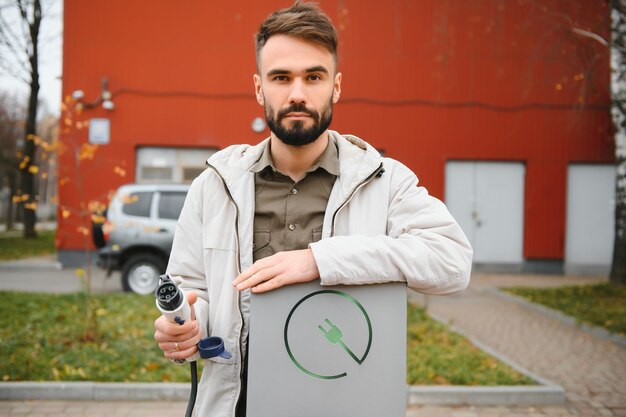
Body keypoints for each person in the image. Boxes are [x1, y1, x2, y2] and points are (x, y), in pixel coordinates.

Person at [153, 2, 473, 416]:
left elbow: (453, 263)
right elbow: (190, 292)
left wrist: (320, 260)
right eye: (281, 78)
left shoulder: (385, 180)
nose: (298, 94)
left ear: (336, 86)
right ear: (258, 87)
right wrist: (180, 332)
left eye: (314, 77)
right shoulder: (214, 187)